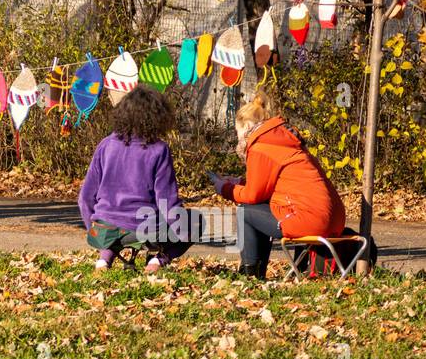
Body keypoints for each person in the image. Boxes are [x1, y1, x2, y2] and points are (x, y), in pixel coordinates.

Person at [214, 88, 347, 279]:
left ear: (247, 126)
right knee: (256, 208)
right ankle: (266, 271)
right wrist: (240, 183)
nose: (237, 138)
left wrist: (225, 189)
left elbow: (253, 195)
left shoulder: (260, 146)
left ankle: (250, 274)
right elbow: (271, 185)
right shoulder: (281, 140)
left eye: (237, 132)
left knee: (246, 210)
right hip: (332, 218)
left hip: (311, 220)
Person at [78, 85, 191, 274]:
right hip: (144, 229)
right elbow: (167, 202)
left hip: (104, 228)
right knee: (197, 221)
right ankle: (157, 261)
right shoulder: (159, 150)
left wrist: (93, 229)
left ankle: (103, 260)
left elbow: (85, 198)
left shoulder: (106, 145)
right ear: (158, 118)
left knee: (112, 227)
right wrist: (183, 232)